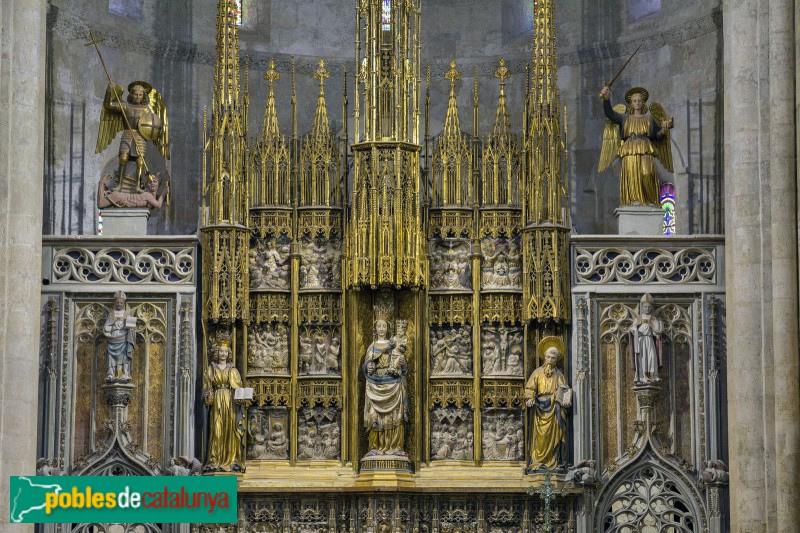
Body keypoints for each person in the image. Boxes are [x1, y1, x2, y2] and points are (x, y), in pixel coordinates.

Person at [599, 85, 673, 206]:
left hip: (645, 149)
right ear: (631, 103)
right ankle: (634, 201)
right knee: (632, 175)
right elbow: (610, 114)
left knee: (647, 173)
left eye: (639, 100)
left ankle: (650, 201)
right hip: (630, 150)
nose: (637, 103)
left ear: (643, 103)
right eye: (635, 101)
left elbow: (656, 136)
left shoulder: (649, 119)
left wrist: (663, 131)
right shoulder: (624, 118)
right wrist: (606, 99)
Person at [96, 81, 169, 188]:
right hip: (127, 134)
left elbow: (154, 125)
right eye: (136, 94)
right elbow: (108, 105)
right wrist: (108, 91)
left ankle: (138, 186)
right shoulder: (125, 106)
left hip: (140, 136)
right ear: (131, 95)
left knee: (140, 161)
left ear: (143, 96)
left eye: (140, 95)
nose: (138, 97)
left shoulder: (146, 109)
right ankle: (119, 185)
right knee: (123, 158)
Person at [524, 337, 571, 470]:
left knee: (555, 436)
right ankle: (537, 462)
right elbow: (529, 389)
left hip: (554, 410)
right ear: (544, 357)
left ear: (557, 359)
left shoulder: (559, 375)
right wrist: (529, 399)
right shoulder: (537, 373)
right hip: (540, 409)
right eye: (548, 357)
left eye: (553, 358)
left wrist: (565, 399)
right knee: (540, 438)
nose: (550, 360)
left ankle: (553, 462)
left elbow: (564, 390)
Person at [363, 319, 408, 456]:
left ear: (387, 329)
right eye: (379, 326)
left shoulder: (393, 344)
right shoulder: (371, 347)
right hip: (376, 383)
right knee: (374, 416)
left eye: (384, 326)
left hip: (393, 382)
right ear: (375, 329)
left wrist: (402, 362)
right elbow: (366, 365)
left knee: (394, 416)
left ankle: (395, 447)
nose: (381, 329)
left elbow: (404, 367)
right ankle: (374, 447)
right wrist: (368, 367)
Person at [203, 339, 244, 471]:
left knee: (229, 430)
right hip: (217, 401)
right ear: (217, 352)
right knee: (217, 430)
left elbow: (238, 388)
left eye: (226, 351)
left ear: (229, 353)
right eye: (221, 351)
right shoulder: (211, 369)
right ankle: (215, 460)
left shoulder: (233, 370)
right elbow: (206, 387)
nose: (223, 354)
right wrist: (208, 394)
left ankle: (230, 459)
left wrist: (242, 398)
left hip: (230, 401)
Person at [629, 293, 663, 383]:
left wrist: (657, 333)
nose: (647, 309)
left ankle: (653, 375)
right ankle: (641, 376)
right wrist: (635, 328)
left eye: (648, 307)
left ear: (651, 308)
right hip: (640, 340)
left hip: (649, 340)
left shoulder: (653, 318)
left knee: (651, 357)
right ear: (642, 308)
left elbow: (657, 331)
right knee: (642, 358)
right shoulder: (638, 318)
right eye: (645, 307)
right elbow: (632, 328)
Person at [103, 291, 136, 382]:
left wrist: (129, 328)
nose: (119, 304)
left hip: (124, 339)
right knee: (111, 359)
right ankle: (111, 374)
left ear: (123, 303)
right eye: (117, 302)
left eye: (121, 303)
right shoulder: (111, 314)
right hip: (113, 338)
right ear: (115, 303)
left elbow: (131, 327)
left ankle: (124, 374)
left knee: (124, 358)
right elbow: (106, 326)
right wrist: (110, 329)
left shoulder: (126, 314)